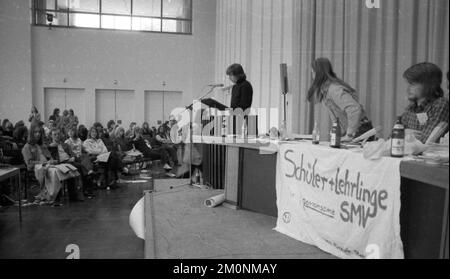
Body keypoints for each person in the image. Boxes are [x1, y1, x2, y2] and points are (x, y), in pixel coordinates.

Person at [307, 58, 374, 142]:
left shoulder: (334, 89)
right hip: (356, 131)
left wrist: (349, 134)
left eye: (313, 72)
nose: (312, 76)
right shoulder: (326, 91)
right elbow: (337, 117)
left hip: (361, 132)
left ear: (319, 73)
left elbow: (354, 109)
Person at [401, 63, 449, 143]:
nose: (407, 89)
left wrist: (404, 135)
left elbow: (426, 142)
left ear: (428, 85)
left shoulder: (440, 105)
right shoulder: (410, 109)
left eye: (412, 84)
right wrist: (403, 133)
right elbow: (391, 139)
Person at [47, 128, 84, 202]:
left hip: (69, 161)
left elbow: (72, 154)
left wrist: (73, 157)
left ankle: (76, 193)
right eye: (55, 134)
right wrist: (65, 160)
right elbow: (52, 159)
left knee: (78, 166)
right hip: (60, 163)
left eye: (58, 134)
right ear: (51, 136)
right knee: (71, 168)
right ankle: (72, 195)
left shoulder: (65, 145)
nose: (57, 136)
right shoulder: (50, 147)